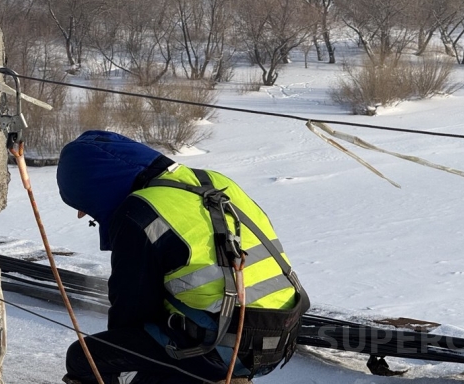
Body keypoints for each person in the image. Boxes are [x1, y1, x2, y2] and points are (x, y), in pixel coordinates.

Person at [56, 130, 310, 384]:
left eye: (85, 205)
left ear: (95, 188)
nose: (84, 215)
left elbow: (131, 311)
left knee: (87, 358)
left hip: (225, 343)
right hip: (284, 331)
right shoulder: (212, 180)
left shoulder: (140, 211)